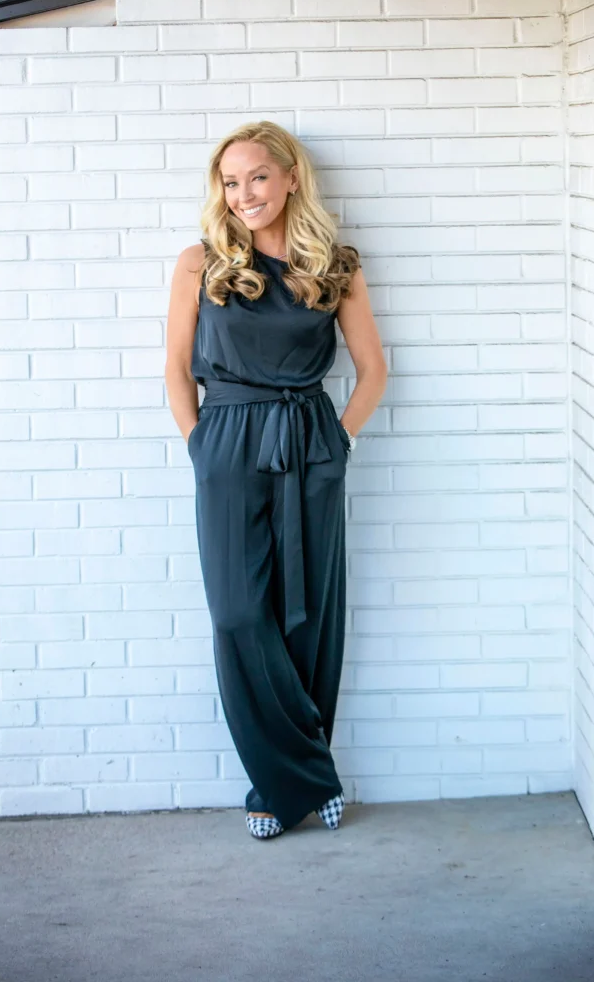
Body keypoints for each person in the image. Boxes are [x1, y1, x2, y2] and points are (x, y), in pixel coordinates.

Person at [165, 120, 387, 840]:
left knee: (305, 611)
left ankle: (277, 784)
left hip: (308, 441)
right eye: (230, 182)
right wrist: (201, 446)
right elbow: (174, 369)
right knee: (238, 613)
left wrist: (337, 442)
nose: (243, 193)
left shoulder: (335, 265)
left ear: (290, 177)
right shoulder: (199, 264)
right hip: (227, 440)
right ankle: (310, 776)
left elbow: (373, 370)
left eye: (256, 176)